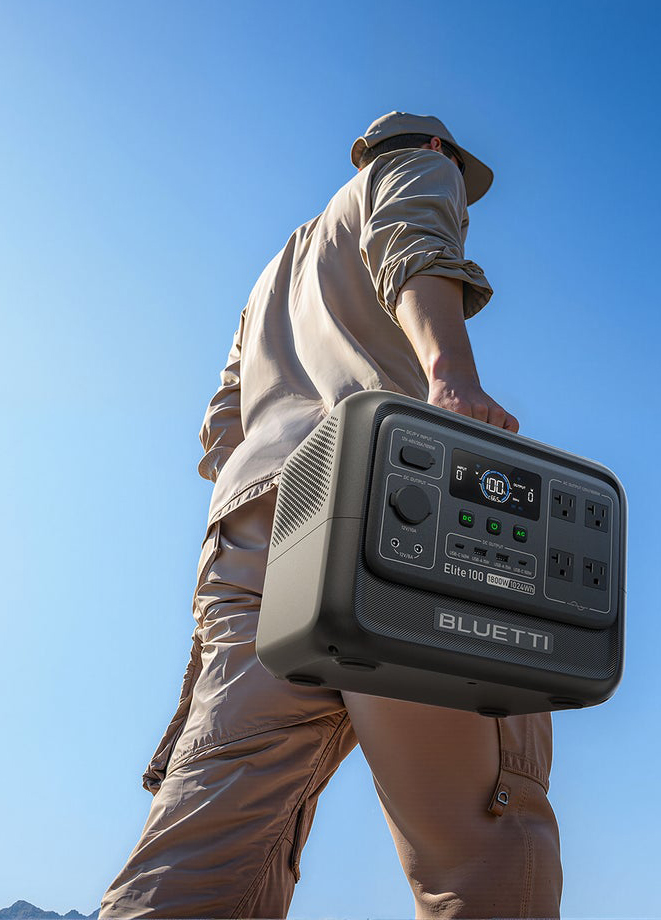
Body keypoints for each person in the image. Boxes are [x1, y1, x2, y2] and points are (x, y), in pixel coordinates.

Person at [99, 112, 561, 919]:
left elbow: (221, 426)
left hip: (254, 535)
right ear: (435, 150)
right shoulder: (416, 167)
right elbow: (414, 243)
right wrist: (448, 380)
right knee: (482, 839)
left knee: (210, 837)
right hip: (385, 510)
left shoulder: (273, 273)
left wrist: (272, 477)